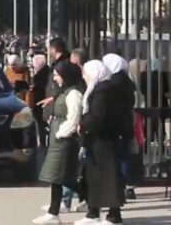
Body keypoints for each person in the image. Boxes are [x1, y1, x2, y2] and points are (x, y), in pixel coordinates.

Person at [34, 60, 85, 224]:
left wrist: (61, 134)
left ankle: (56, 211)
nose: (55, 78)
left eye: (57, 75)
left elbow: (74, 118)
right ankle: (54, 211)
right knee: (59, 177)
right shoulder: (66, 91)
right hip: (59, 137)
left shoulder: (74, 94)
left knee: (60, 176)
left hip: (64, 139)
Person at [77, 60, 125, 224]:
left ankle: (114, 216)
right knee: (94, 178)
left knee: (108, 178)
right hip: (98, 140)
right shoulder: (100, 90)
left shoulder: (102, 92)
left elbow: (99, 117)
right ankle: (93, 212)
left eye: (86, 73)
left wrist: (84, 124)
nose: (84, 77)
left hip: (104, 140)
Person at [102, 54, 138, 199]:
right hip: (126, 122)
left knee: (116, 156)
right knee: (125, 155)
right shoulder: (127, 82)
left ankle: (118, 185)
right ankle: (128, 185)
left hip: (115, 123)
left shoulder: (112, 84)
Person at [31, 54, 51, 147]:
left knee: (41, 123)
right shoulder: (47, 71)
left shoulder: (42, 74)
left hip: (42, 101)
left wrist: (34, 87)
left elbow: (42, 87)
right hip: (41, 100)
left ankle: (43, 142)